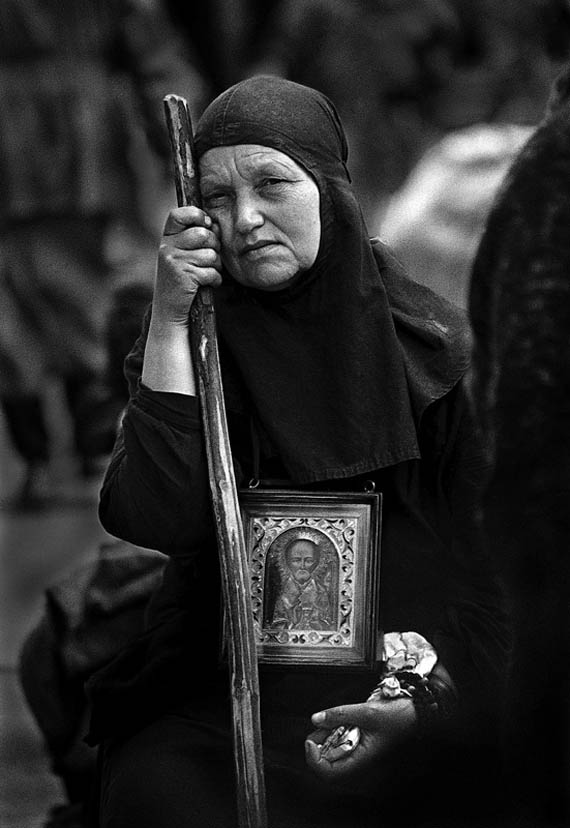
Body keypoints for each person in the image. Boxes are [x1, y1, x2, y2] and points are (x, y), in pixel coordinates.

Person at [86, 76, 510, 828]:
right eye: (214, 197)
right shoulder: (194, 351)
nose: (244, 218)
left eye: (272, 183)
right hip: (220, 703)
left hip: (400, 692)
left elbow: (498, 588)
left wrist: (418, 702)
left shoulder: (443, 366)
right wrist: (169, 319)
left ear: (330, 190)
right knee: (156, 794)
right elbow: (154, 515)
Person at [0, 0, 206, 508]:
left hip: (76, 147)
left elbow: (151, 50)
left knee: (70, 299)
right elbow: (154, 53)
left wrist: (178, 137)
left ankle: (77, 444)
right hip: (70, 141)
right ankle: (55, 449)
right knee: (25, 311)